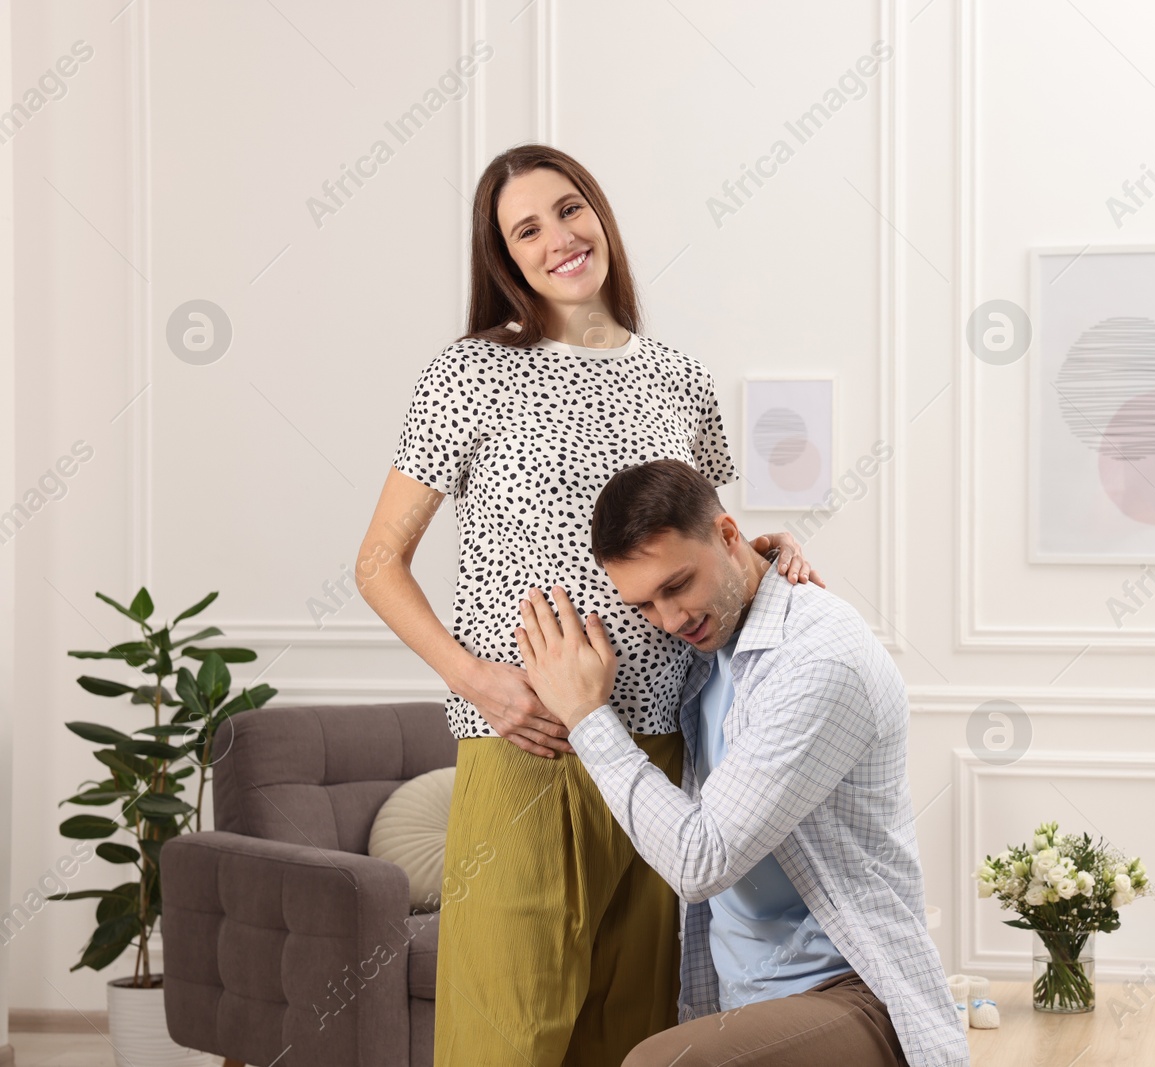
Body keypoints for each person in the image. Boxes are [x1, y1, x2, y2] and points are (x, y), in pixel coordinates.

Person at [356, 144, 820, 1067]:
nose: (561, 238)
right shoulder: (470, 373)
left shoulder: (680, 376)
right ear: (505, 259)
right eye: (527, 228)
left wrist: (766, 551)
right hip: (527, 746)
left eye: (571, 210)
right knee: (505, 1040)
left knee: (633, 1034)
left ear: (600, 215)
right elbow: (378, 562)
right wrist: (476, 680)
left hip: (664, 747)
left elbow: (699, 538)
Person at [510, 458, 971, 1067]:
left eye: (678, 586)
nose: (670, 620)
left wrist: (587, 718)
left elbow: (701, 861)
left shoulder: (819, 657)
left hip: (855, 991)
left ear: (728, 536)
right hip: (741, 1001)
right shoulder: (706, 648)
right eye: (645, 604)